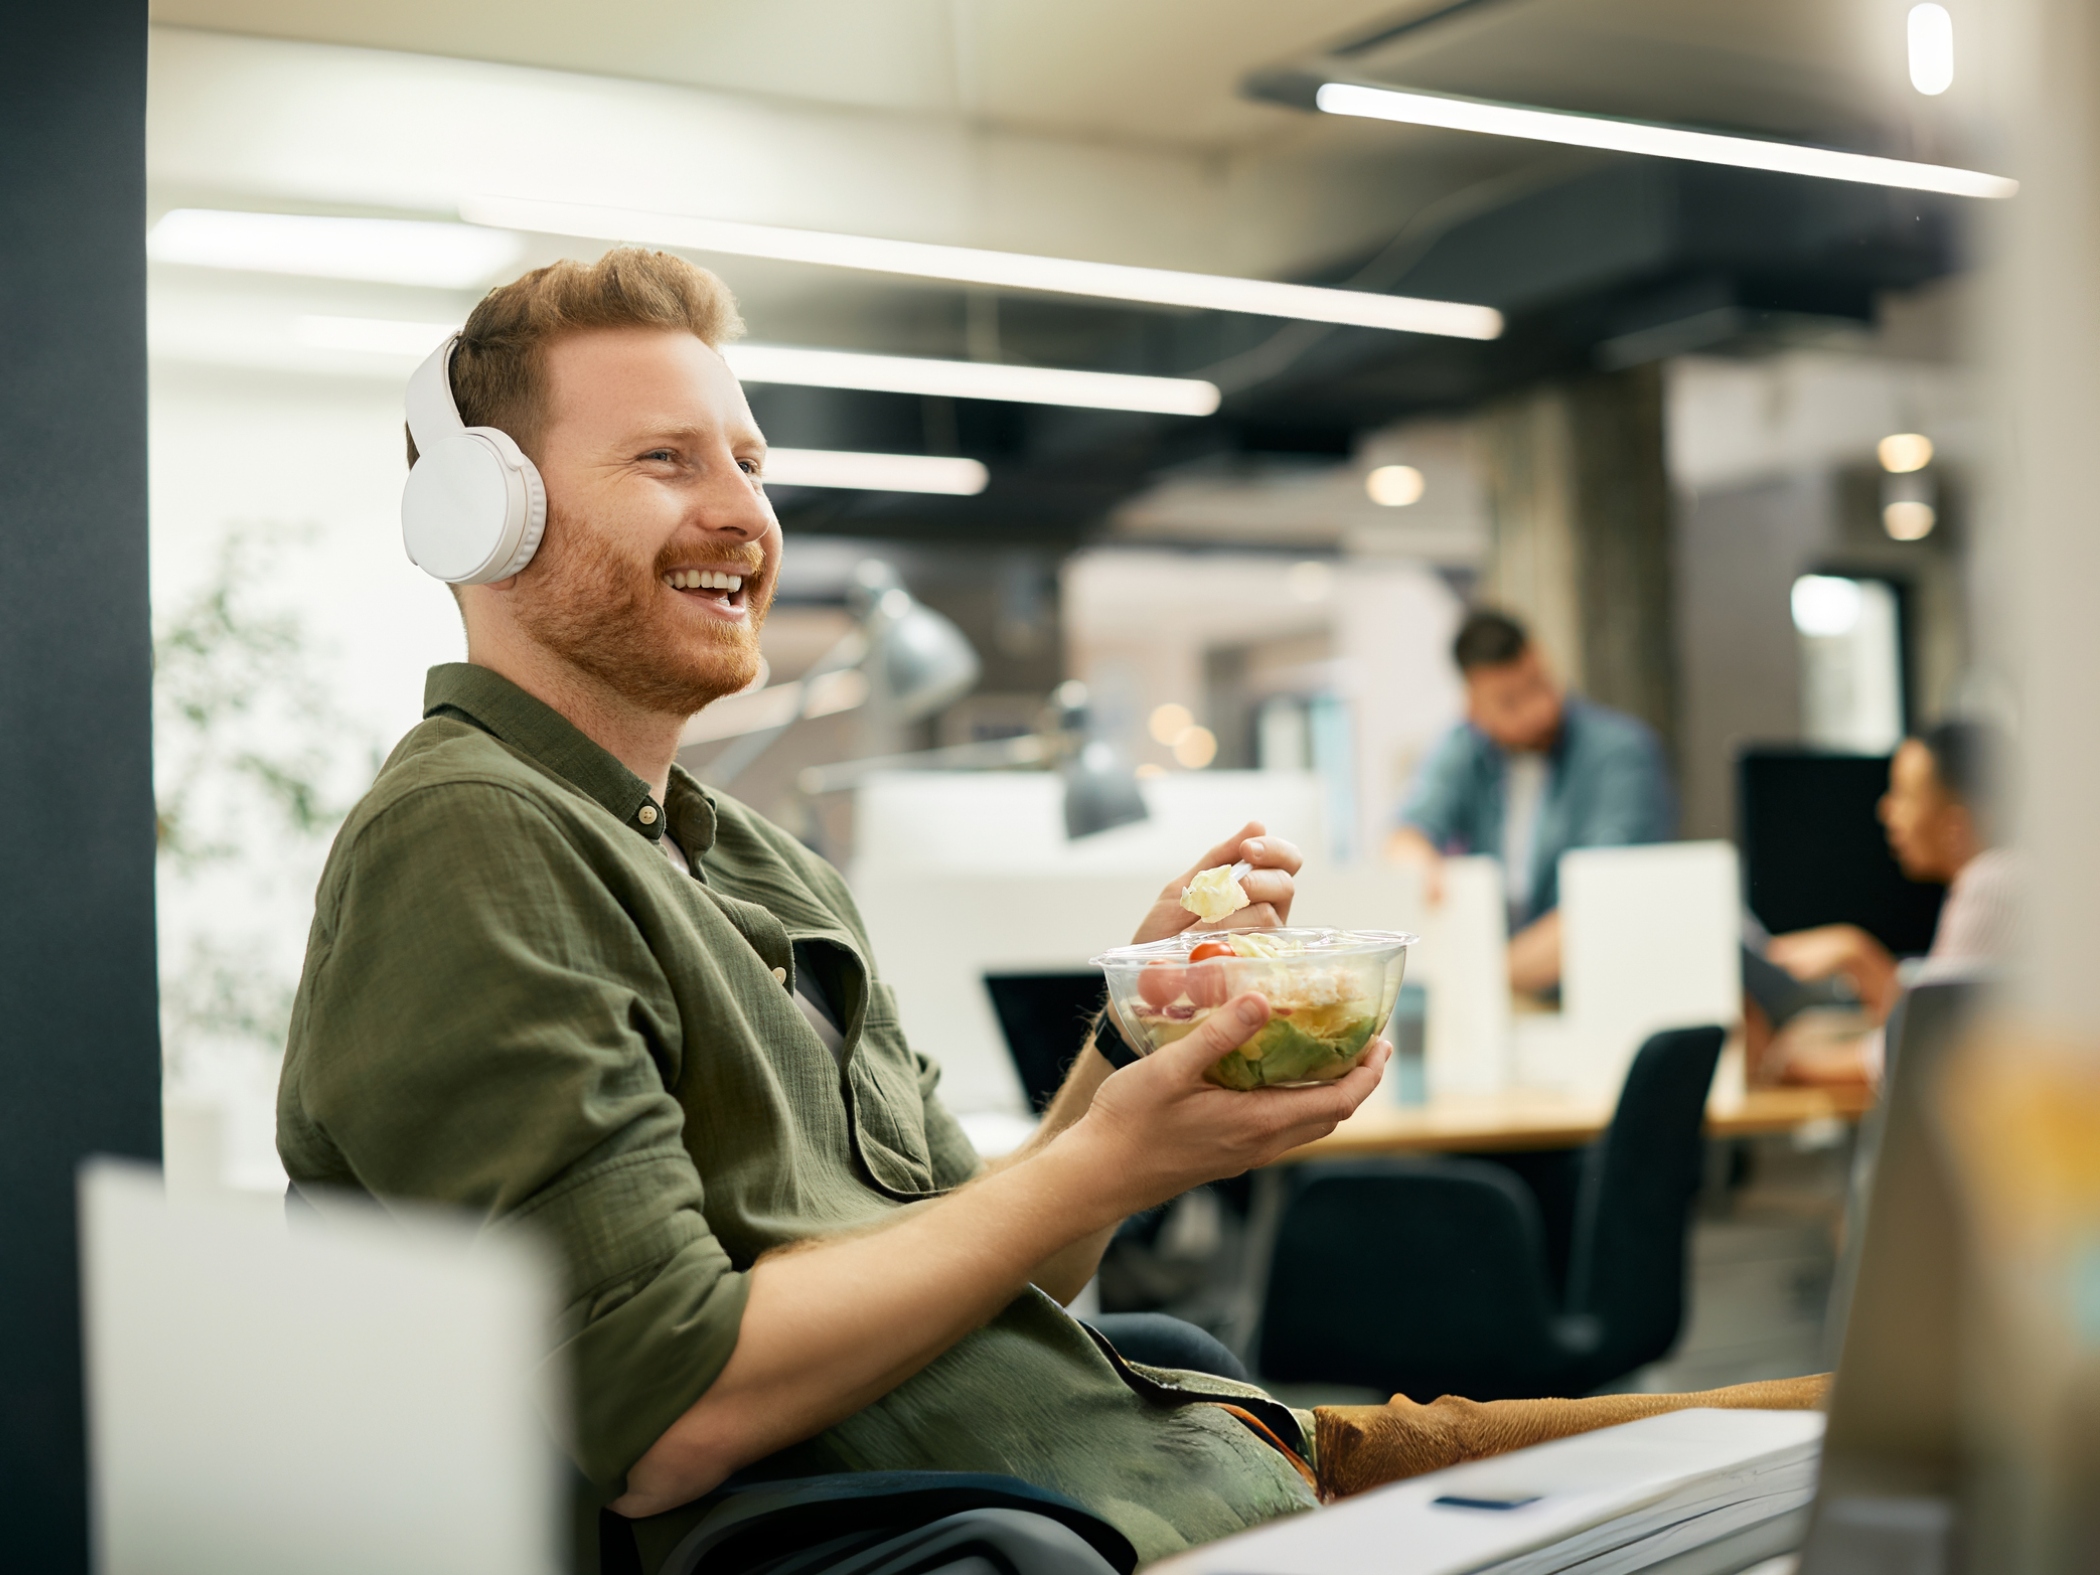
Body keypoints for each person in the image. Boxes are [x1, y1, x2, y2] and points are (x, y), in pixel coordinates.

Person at [279, 251, 1815, 1565]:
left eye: (751, 460)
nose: (742, 511)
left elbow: (1003, 1258)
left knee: (1859, 1409)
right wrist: (1123, 1145)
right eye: (667, 460)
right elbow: (663, 1414)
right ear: (482, 516)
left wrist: (1131, 1041)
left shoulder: (752, 859)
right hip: (1092, 1527)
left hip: (1223, 1455)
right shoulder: (472, 837)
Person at [1386, 609, 1674, 995]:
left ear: (1542, 659)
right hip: (1507, 990)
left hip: (1601, 987)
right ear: (1474, 707)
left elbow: (1603, 902)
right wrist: (1419, 868)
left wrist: (1479, 979)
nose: (1537, 710)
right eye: (1508, 702)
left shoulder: (1619, 752)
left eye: (1538, 685)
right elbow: (1406, 837)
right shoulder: (1465, 750)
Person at [1766, 720, 2020, 1023]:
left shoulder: (1989, 883)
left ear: (1956, 827)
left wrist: (1855, 954)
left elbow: (1930, 1036)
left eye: (1902, 795)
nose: (1885, 810)